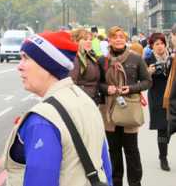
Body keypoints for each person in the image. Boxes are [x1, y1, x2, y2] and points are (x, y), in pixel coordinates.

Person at [3, 31, 112, 186]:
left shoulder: (43, 119)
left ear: (47, 65)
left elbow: (40, 181)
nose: (19, 67)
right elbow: (105, 168)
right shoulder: (85, 101)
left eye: (26, 58)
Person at [98, 26, 151, 186]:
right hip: (109, 110)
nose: (118, 39)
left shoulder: (136, 59)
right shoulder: (103, 61)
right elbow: (97, 83)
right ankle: (116, 182)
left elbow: (148, 81)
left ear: (125, 39)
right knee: (113, 150)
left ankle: (135, 183)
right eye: (115, 37)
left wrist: (131, 88)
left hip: (129, 109)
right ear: (110, 40)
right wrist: (107, 88)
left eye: (121, 36)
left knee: (131, 150)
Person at [144, 33, 172, 171]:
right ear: (152, 46)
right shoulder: (148, 60)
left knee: (171, 127)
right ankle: (163, 158)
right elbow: (143, 81)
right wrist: (148, 73)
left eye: (162, 43)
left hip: (173, 97)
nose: (160, 46)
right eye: (157, 44)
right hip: (157, 97)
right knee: (162, 128)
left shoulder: (172, 58)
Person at [69, 28, 102, 104]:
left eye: (90, 39)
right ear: (76, 41)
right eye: (85, 39)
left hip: (92, 99)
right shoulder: (75, 58)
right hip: (82, 101)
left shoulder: (91, 57)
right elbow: (71, 83)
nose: (89, 42)